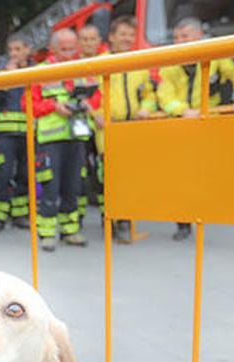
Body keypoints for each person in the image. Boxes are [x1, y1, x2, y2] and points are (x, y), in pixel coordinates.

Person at [157, 16, 234, 241]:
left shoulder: (216, 54)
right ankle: (183, 223)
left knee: (211, 171)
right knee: (181, 175)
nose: (179, 41)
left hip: (211, 123)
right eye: (176, 37)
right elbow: (164, 94)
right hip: (183, 124)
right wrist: (182, 110)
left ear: (199, 35)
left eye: (185, 36)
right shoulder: (170, 63)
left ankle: (210, 211)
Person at [29, 29, 96, 251]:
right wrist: (54, 107)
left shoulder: (81, 68)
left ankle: (70, 229)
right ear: (53, 49)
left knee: (73, 185)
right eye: (64, 49)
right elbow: (29, 106)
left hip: (76, 137)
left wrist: (88, 105)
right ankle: (47, 234)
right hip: (50, 141)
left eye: (71, 49)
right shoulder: (40, 72)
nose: (68, 54)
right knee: (50, 186)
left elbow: (96, 95)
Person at [94, 16, 157, 243]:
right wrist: (95, 114)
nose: (127, 38)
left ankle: (125, 222)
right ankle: (111, 220)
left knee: (129, 178)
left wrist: (146, 109)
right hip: (108, 129)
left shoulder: (138, 63)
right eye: (122, 34)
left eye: (131, 34)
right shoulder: (99, 62)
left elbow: (149, 93)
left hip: (132, 128)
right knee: (110, 178)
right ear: (111, 37)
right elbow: (90, 95)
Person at [0, 34, 35, 234]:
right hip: (6, 133)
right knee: (4, 173)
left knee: (24, 174)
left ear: (27, 50)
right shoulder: (3, 73)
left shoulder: (35, 71)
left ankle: (19, 215)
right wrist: (6, 79)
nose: (14, 54)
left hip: (27, 132)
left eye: (18, 49)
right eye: (11, 50)